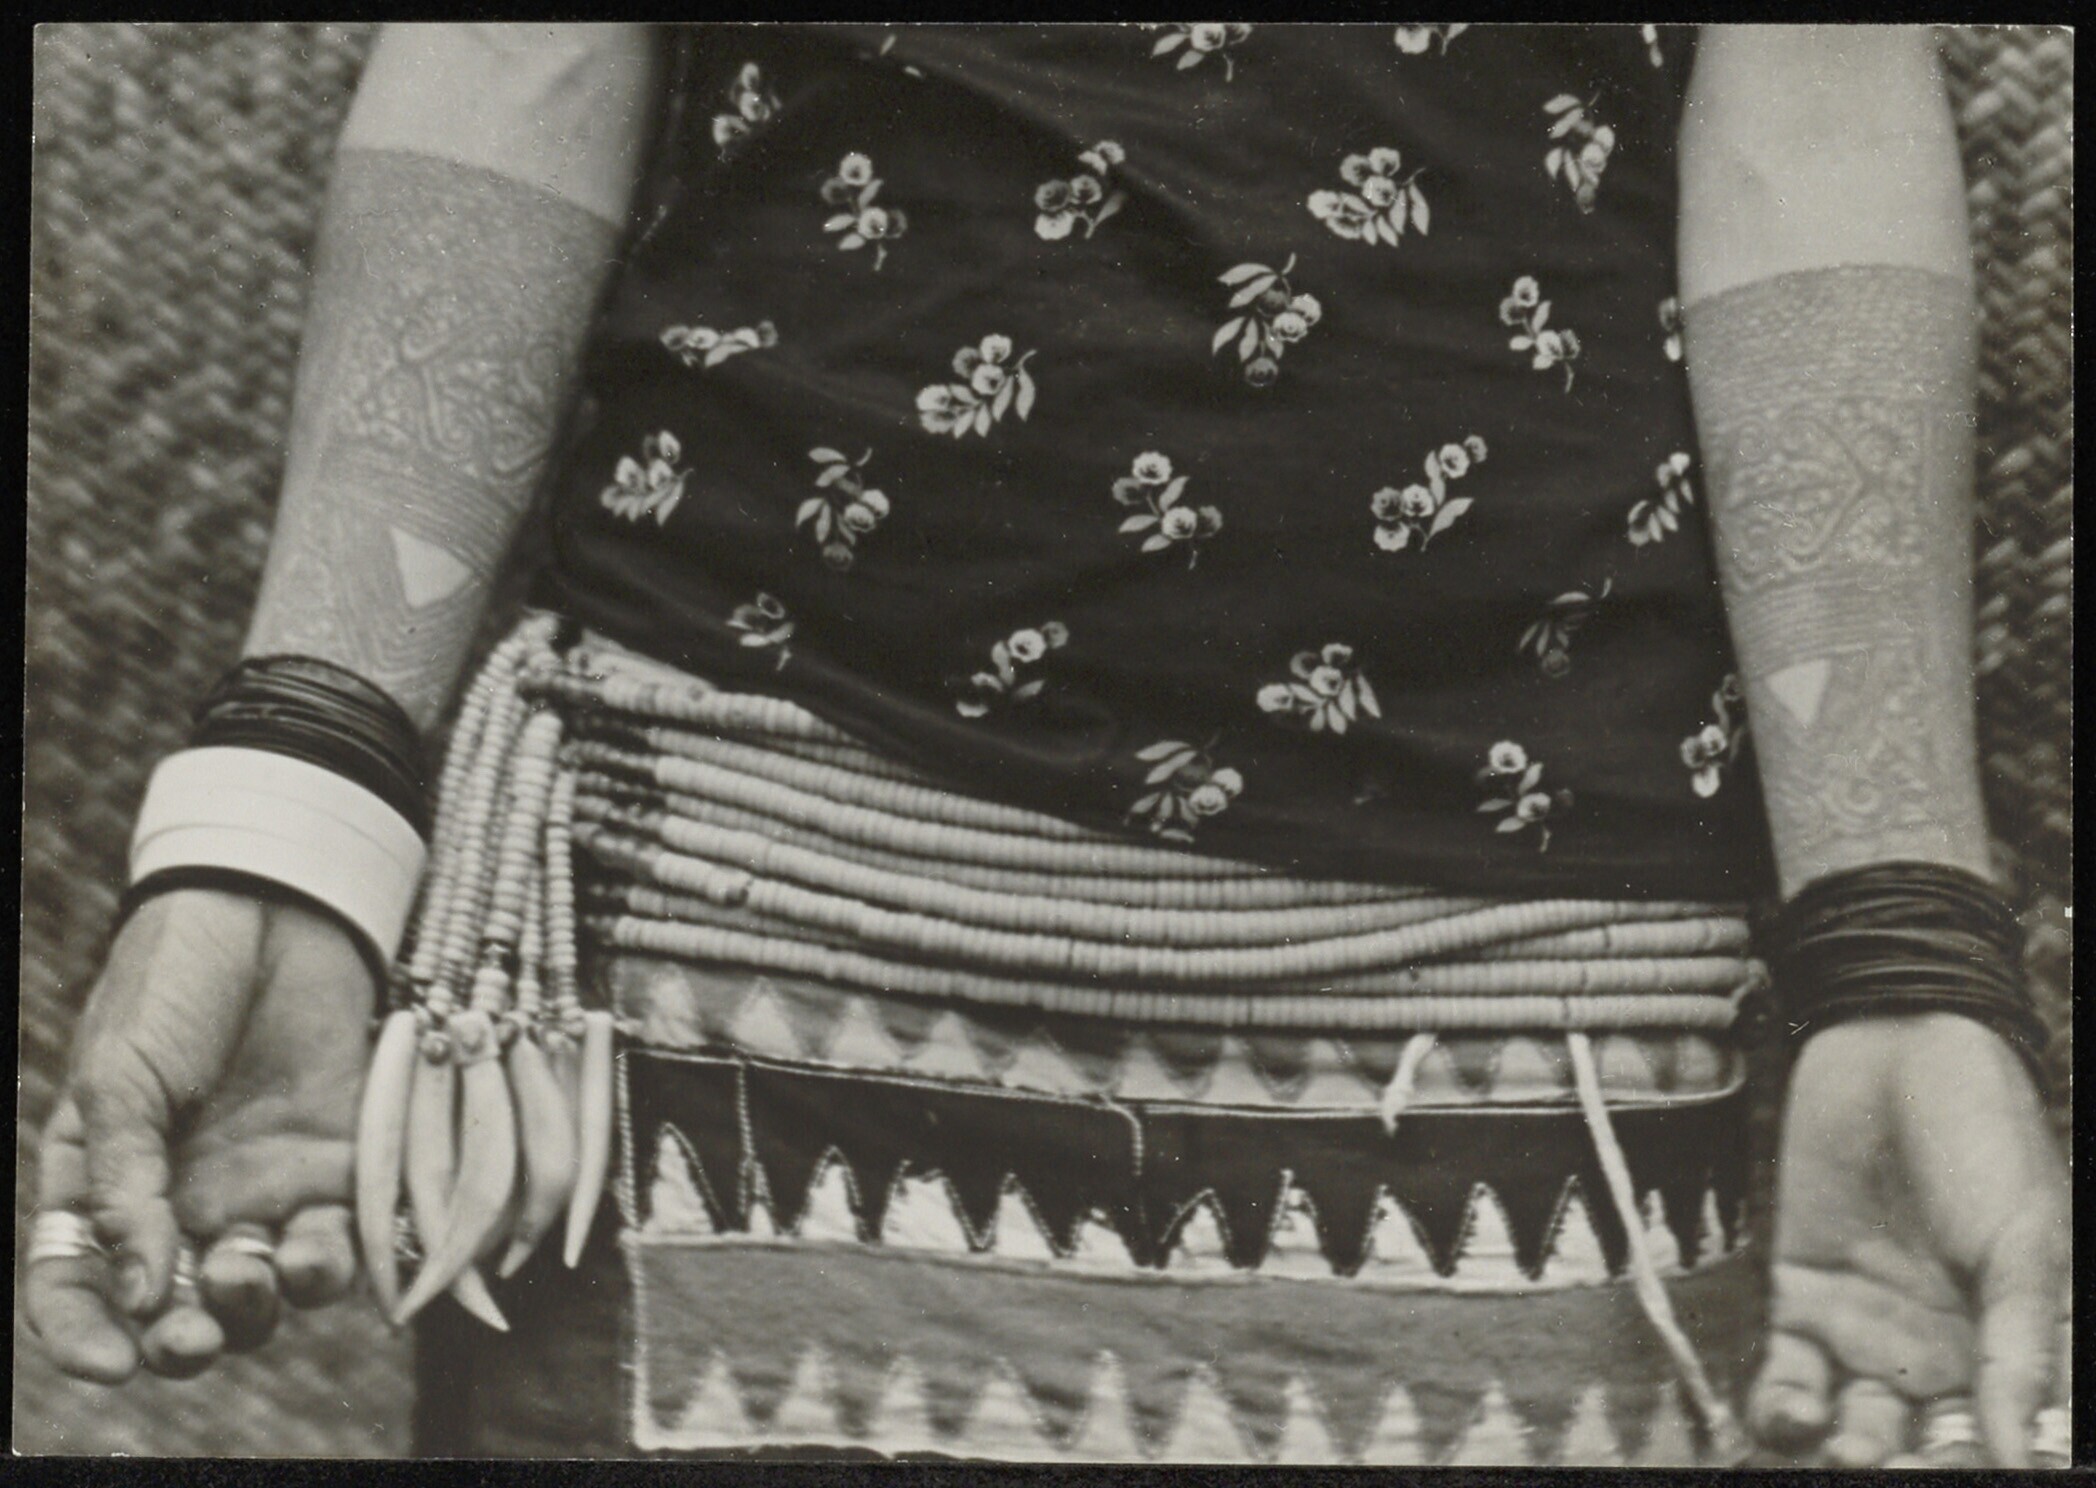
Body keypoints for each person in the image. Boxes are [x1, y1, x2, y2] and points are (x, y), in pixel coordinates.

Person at [24, 22, 2068, 1467]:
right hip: (733, 920)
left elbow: (1807, 95)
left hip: (1529, 1049)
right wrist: (293, 794)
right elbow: (523, 46)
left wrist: (1899, 939)